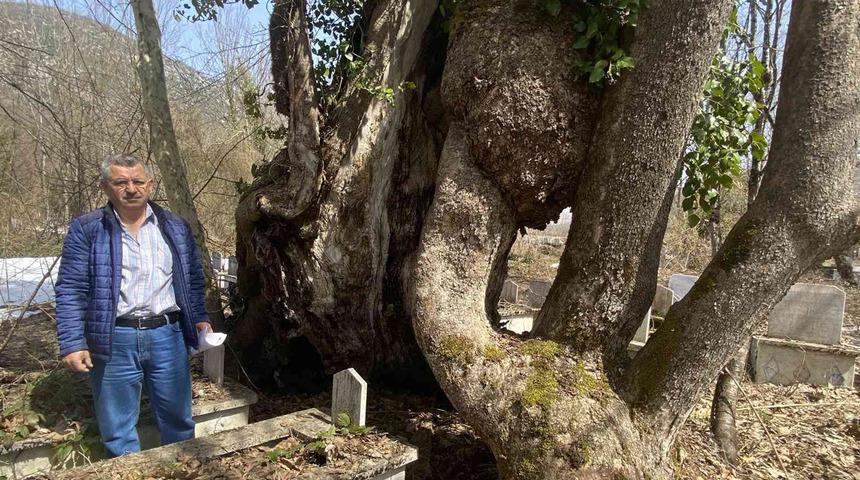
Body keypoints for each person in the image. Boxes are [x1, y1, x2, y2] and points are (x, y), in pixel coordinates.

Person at [55, 153, 211, 457]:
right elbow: (71, 288)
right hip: (114, 339)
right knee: (117, 430)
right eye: (121, 182)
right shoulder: (88, 229)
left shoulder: (175, 227)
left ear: (149, 185)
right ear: (105, 187)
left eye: (138, 181)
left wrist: (200, 316)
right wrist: (72, 342)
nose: (131, 188)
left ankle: (182, 472)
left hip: (168, 335)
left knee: (179, 421)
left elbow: (192, 277)